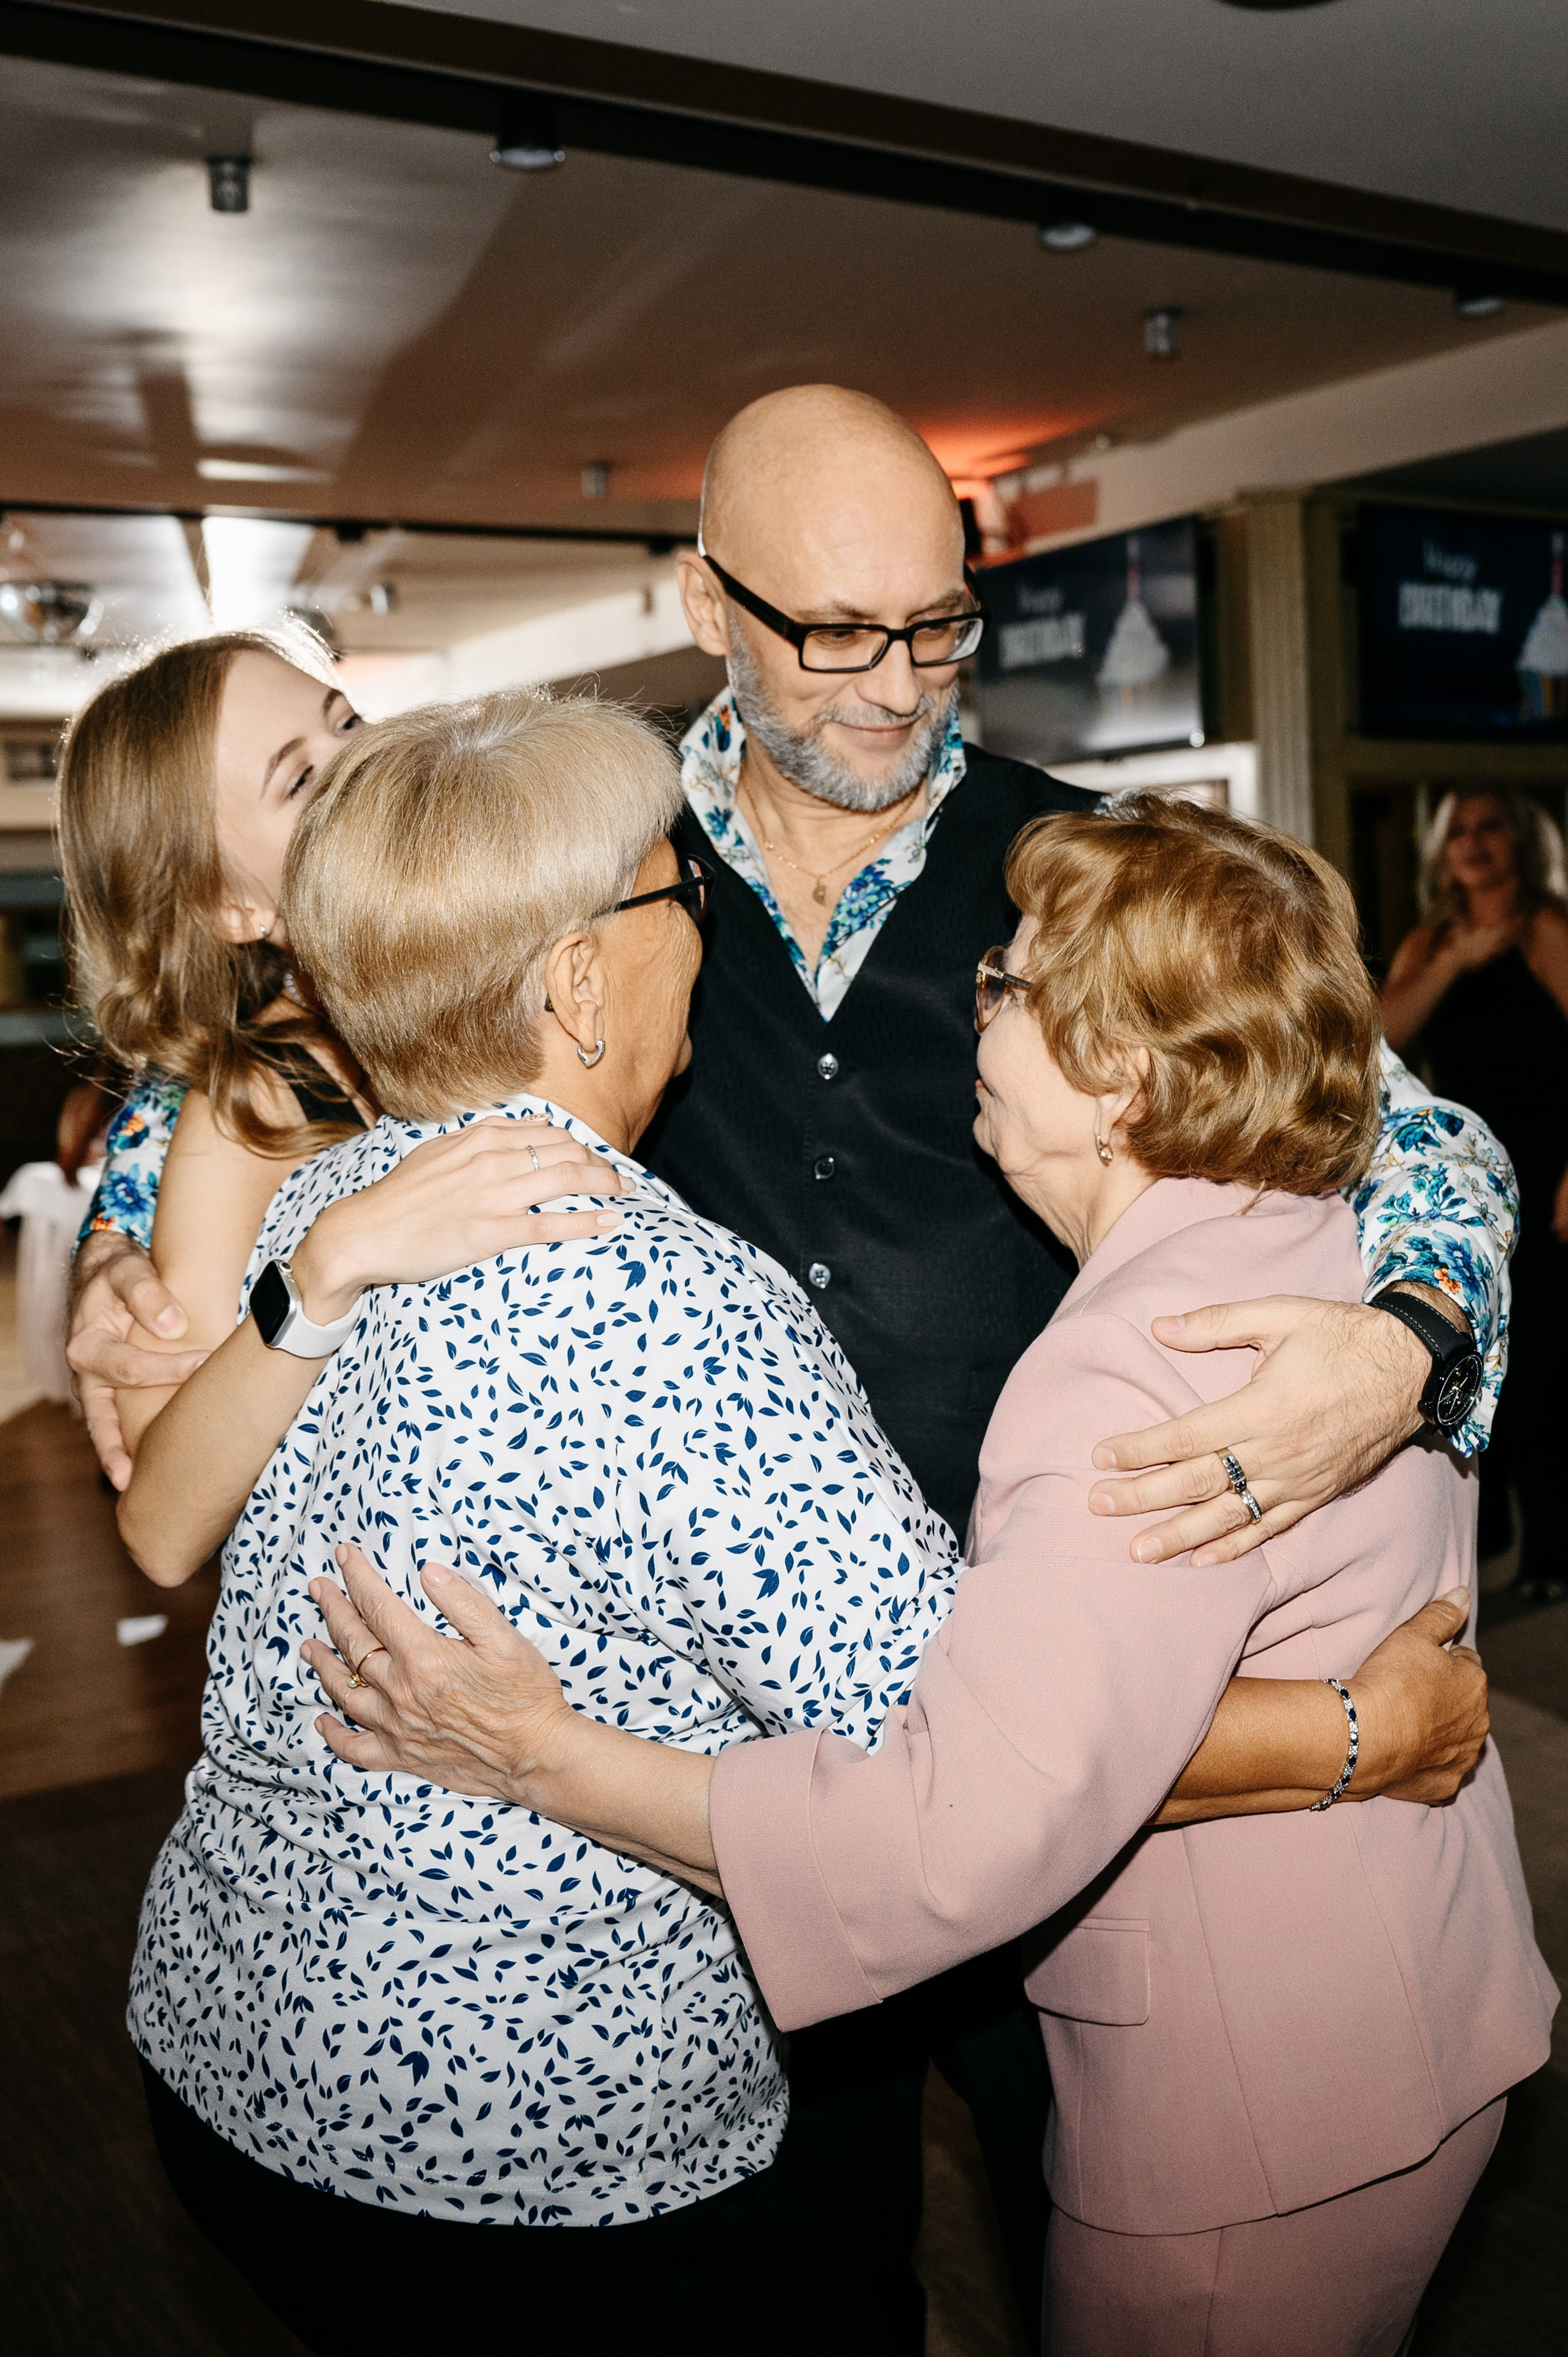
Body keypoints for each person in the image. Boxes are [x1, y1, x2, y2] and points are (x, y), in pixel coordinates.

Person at [70, 389, 1520, 2342]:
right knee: (822, 2269)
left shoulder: (1079, 870)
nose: (896, 682)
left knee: (1094, 2213)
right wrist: (133, 1249)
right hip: (716, 1828)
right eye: (835, 630)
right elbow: (259, 1045)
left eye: (937, 626)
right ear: (704, 602)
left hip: (1067, 1701)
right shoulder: (583, 852)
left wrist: (1405, 1339)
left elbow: (1410, 1130)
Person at [304, 794, 1553, 2357]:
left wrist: (537, 1754)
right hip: (1411, 2011)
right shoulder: (1337, 1251)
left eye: (1010, 983)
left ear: (1123, 1077)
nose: (978, 1005)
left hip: (1257, 2115)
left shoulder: (1123, 1375)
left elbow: (946, 1833)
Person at [58, 625, 623, 1478]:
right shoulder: (255, 1103)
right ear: (229, 905)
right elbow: (161, 1484)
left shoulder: (460, 977)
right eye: (302, 778)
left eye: (348, 723)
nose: (366, 761)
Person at [1383, 785, 1568, 1600]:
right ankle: (1486, 1534)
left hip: (1549, 1162)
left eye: (1490, 826)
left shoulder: (1545, 927)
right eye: (1458, 829)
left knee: (1549, 1366)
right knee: (1478, 1351)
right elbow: (1385, 1038)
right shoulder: (1434, 939)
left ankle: (1552, 1554)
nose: (1474, 842)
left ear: (1520, 842)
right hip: (1469, 1175)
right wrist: (1454, 960)